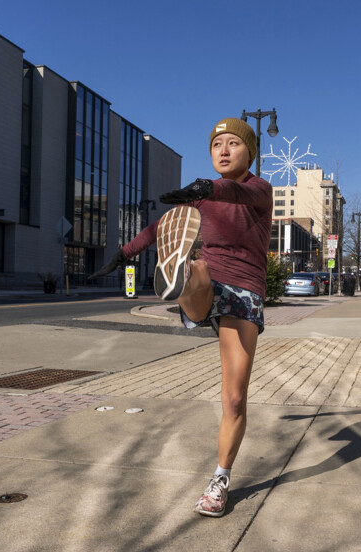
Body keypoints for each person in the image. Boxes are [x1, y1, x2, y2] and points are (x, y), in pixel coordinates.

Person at [90, 117, 272, 517]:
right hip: (211, 286)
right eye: (217, 145)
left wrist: (206, 188)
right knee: (201, 269)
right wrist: (122, 254)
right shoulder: (198, 202)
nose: (223, 150)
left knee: (234, 398)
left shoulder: (260, 189)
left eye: (233, 144)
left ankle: (220, 479)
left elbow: (233, 191)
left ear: (249, 152)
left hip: (245, 293)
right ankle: (183, 278)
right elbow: (159, 227)